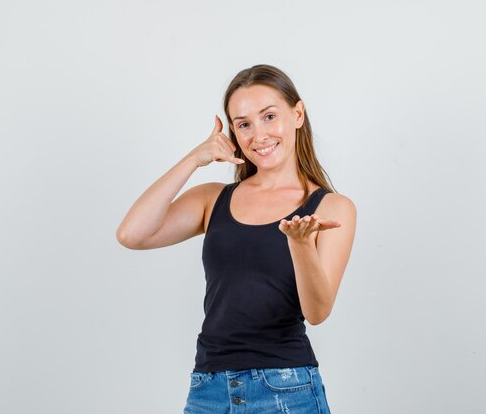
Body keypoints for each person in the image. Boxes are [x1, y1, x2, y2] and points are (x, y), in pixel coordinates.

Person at [116, 64, 356, 414]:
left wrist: (301, 244)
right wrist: (195, 159)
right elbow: (132, 234)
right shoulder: (214, 199)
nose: (258, 135)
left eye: (269, 116)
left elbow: (317, 312)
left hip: (286, 389)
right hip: (208, 390)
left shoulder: (332, 207)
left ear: (298, 114)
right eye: (244, 124)